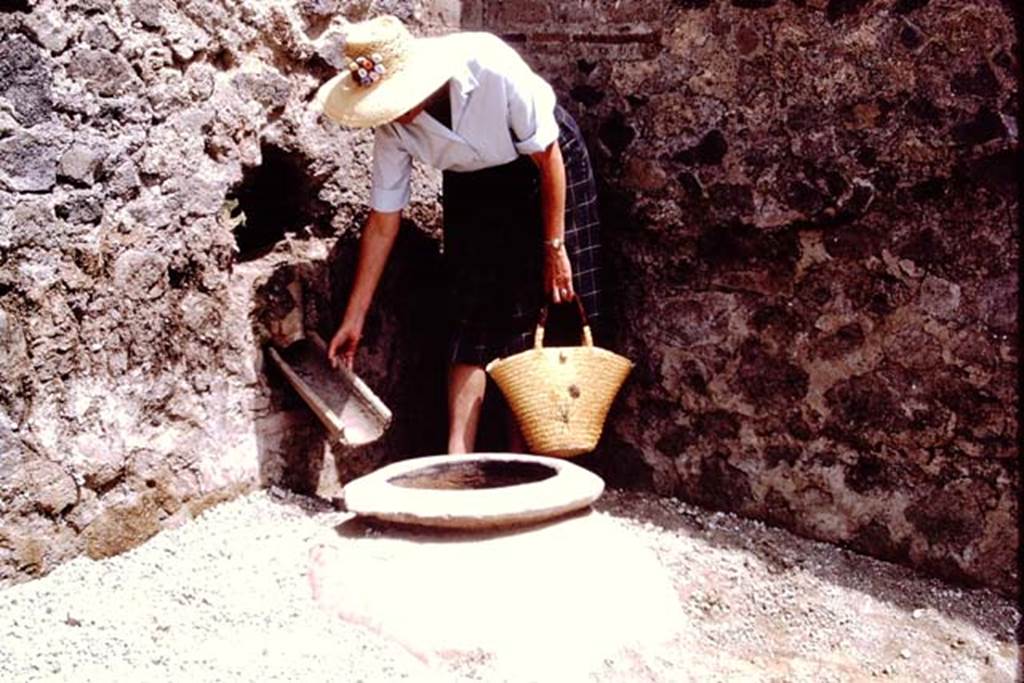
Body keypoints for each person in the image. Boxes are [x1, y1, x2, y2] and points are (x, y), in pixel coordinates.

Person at [315, 15, 603, 454]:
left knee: (543, 303)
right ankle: (457, 460)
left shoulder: (489, 66)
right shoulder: (392, 125)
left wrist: (554, 247)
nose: (394, 111)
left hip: (542, 166)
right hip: (472, 183)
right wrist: (354, 317)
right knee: (472, 310)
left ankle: (530, 457)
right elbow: (382, 221)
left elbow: (548, 158)